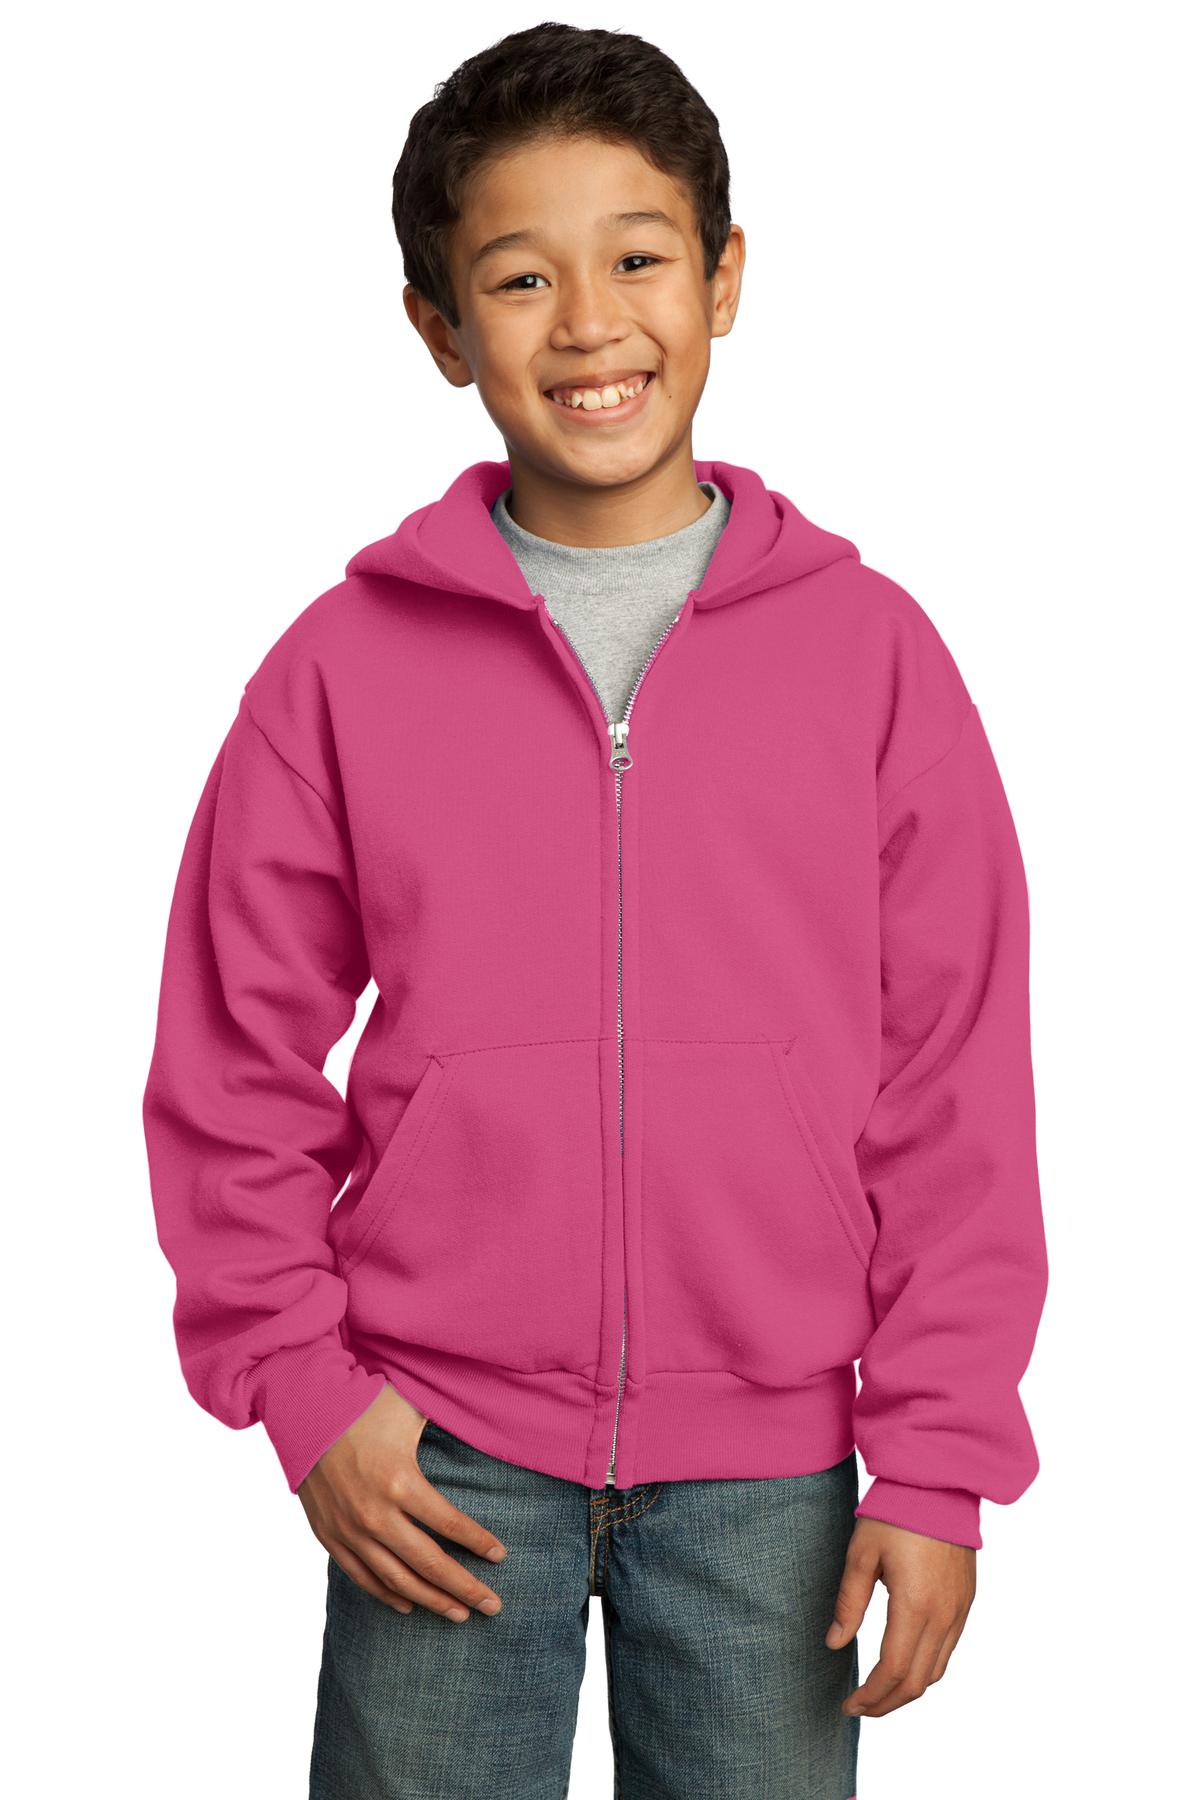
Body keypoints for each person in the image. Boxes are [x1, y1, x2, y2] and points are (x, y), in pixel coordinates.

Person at [142, 22, 1048, 1799]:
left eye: (637, 259)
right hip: (437, 1454)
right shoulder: (339, 671)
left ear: (724, 278)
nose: (587, 323)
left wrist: (938, 1461)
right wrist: (307, 1394)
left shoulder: (872, 659)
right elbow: (229, 1067)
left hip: (775, 1474)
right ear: (438, 327)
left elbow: (959, 1086)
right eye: (518, 277)